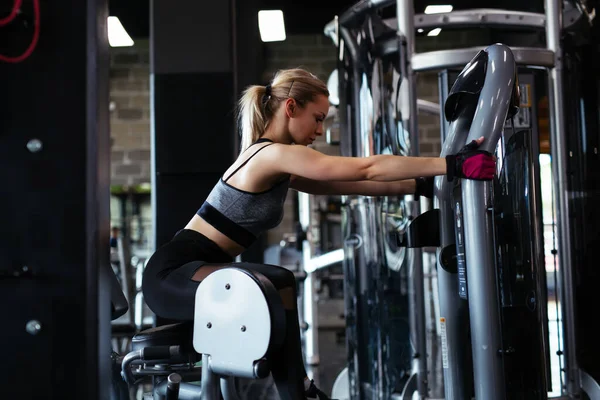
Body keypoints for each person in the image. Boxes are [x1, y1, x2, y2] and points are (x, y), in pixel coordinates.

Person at [142, 68, 496, 400]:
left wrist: (421, 185)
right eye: (318, 119)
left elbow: (351, 183)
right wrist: (452, 164)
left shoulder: (276, 161)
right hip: (173, 275)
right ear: (291, 108)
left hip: (194, 271)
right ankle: (299, 389)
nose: (320, 131)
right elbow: (367, 167)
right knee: (275, 282)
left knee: (276, 283)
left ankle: (299, 389)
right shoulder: (271, 155)